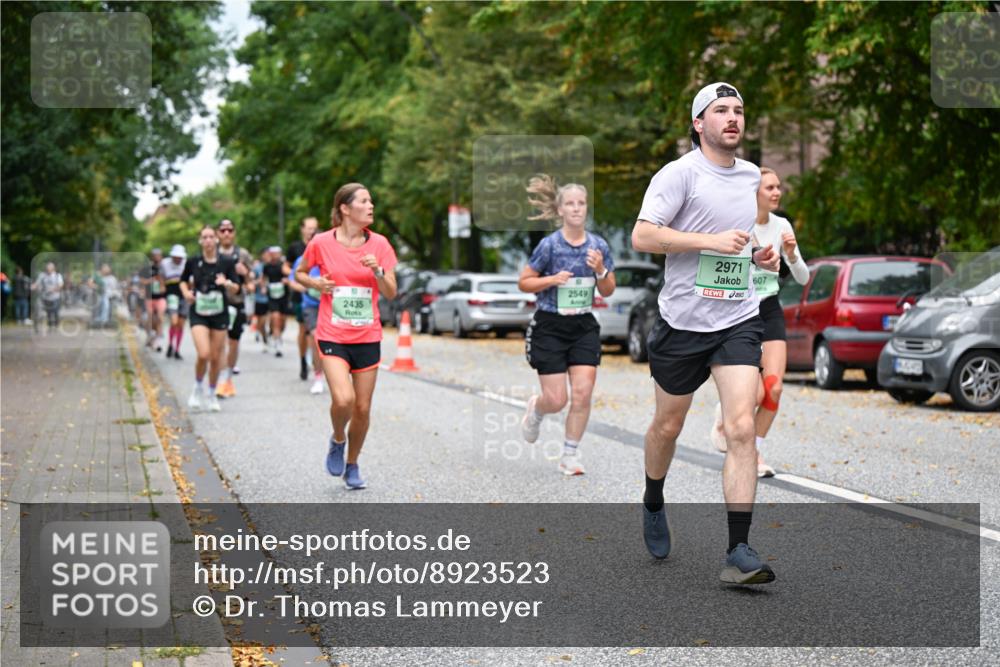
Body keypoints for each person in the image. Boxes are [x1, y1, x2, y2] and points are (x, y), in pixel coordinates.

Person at [631, 82, 780, 585]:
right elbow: (644, 235)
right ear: (699, 123)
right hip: (682, 323)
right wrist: (708, 241)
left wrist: (760, 254)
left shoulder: (753, 176)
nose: (732, 118)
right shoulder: (679, 175)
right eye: (721, 111)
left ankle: (739, 549)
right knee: (667, 427)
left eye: (738, 110)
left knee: (741, 427)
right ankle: (654, 498)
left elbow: (746, 236)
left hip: (737, 317)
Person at [295, 183, 398, 490]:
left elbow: (391, 292)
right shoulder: (322, 242)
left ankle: (352, 464)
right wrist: (316, 284)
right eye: (365, 201)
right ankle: (338, 438)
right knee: (344, 399)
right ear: (344, 208)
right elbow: (300, 273)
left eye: (371, 201)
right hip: (333, 333)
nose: (371, 206)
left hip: (367, 334)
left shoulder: (379, 244)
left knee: (363, 408)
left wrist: (378, 271)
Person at [710, 167, 809, 477]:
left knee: (774, 389)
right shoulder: (737, 225)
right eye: (770, 188)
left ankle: (753, 451)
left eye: (778, 187)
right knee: (752, 395)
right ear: (755, 193)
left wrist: (791, 255)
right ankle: (724, 420)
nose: (777, 192)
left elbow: (803, 277)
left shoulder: (781, 226)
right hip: (741, 312)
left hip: (769, 309)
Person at [517, 174, 616, 476]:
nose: (576, 209)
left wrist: (600, 270)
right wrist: (551, 279)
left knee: (583, 394)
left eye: (581, 203)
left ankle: (570, 454)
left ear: (586, 208)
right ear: (560, 210)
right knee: (557, 399)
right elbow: (524, 282)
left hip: (583, 324)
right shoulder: (549, 246)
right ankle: (537, 407)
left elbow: (608, 289)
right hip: (549, 325)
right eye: (570, 204)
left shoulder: (598, 245)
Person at [179, 225, 240, 412]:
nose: (207, 240)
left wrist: (226, 283)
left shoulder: (227, 262)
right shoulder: (193, 261)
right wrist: (186, 294)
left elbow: (236, 287)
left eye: (210, 237)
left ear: (216, 240)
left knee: (215, 358)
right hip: (199, 312)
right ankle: (198, 386)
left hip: (219, 313)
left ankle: (212, 393)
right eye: (204, 237)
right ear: (200, 241)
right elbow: (183, 280)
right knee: (204, 353)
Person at [215, 219, 254, 398]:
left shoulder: (242, 254)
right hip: (216, 303)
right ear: (217, 233)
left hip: (236, 302)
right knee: (219, 341)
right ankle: (221, 377)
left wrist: (245, 273)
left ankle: (227, 377)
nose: (226, 234)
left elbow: (252, 283)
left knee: (233, 342)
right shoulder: (212, 253)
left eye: (230, 230)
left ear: (234, 233)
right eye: (223, 230)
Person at [286, 216, 319, 380]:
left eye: (315, 228)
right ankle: (303, 361)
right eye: (309, 228)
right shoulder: (295, 249)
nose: (312, 230)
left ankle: (316, 362)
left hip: (318, 298)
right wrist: (302, 281)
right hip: (301, 296)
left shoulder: (322, 245)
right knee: (303, 330)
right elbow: (287, 269)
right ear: (303, 229)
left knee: (314, 334)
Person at [290, 253, 325, 394]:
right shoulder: (302, 259)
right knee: (316, 338)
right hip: (310, 305)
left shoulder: (333, 254)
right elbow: (293, 280)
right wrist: (307, 286)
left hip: (332, 304)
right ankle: (318, 378)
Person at [162, 245, 189, 360]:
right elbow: (161, 279)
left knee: (181, 324)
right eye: (176, 257)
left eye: (180, 257)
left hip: (184, 296)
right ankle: (170, 344)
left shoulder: (186, 264)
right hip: (172, 295)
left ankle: (177, 349)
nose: (178, 259)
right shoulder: (165, 264)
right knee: (174, 321)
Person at [262, 246, 289, 357]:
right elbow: (263, 278)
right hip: (272, 295)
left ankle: (276, 334)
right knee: (275, 317)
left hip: (284, 296)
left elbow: (291, 275)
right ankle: (277, 344)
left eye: (277, 253)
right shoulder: (267, 266)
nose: (275, 255)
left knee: (282, 322)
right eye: (273, 253)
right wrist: (263, 287)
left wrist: (287, 280)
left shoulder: (284, 265)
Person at [141, 249, 166, 352]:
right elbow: (142, 281)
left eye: (159, 256)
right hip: (149, 297)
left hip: (160, 297)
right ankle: (150, 335)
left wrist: (161, 283)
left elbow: (165, 285)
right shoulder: (147, 268)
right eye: (155, 256)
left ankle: (158, 341)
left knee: (160, 318)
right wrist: (151, 280)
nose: (157, 257)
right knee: (150, 318)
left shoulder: (164, 268)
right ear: (151, 257)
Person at [33, 261, 64, 329]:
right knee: (49, 312)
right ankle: (50, 325)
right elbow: (37, 283)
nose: (48, 270)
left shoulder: (57, 275)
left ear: (53, 268)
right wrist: (33, 286)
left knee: (55, 312)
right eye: (47, 268)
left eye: (50, 268)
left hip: (56, 297)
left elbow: (61, 285)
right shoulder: (42, 275)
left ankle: (56, 324)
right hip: (46, 297)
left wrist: (54, 289)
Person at [251, 250, 270, 352]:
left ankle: (273, 335)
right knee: (261, 322)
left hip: (273, 299)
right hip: (260, 299)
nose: (268, 256)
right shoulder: (258, 268)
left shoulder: (275, 265)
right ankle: (265, 340)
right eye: (266, 254)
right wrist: (259, 282)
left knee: (274, 320)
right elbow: (251, 281)